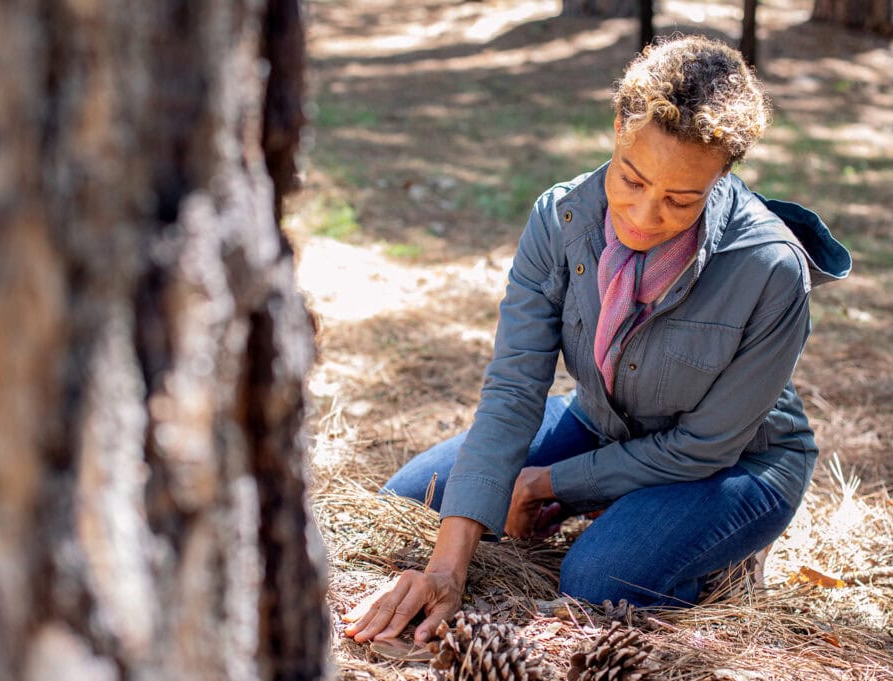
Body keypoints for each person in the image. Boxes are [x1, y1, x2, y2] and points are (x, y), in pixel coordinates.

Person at [344, 34, 851, 646]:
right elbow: (513, 390)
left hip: (738, 463)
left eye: (680, 200)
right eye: (633, 181)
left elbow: (703, 447)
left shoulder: (771, 268)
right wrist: (447, 571)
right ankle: (632, 517)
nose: (644, 215)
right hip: (609, 422)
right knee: (417, 497)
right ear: (618, 127)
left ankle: (720, 557)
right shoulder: (558, 221)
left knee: (598, 580)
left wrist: (546, 483)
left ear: (721, 176)